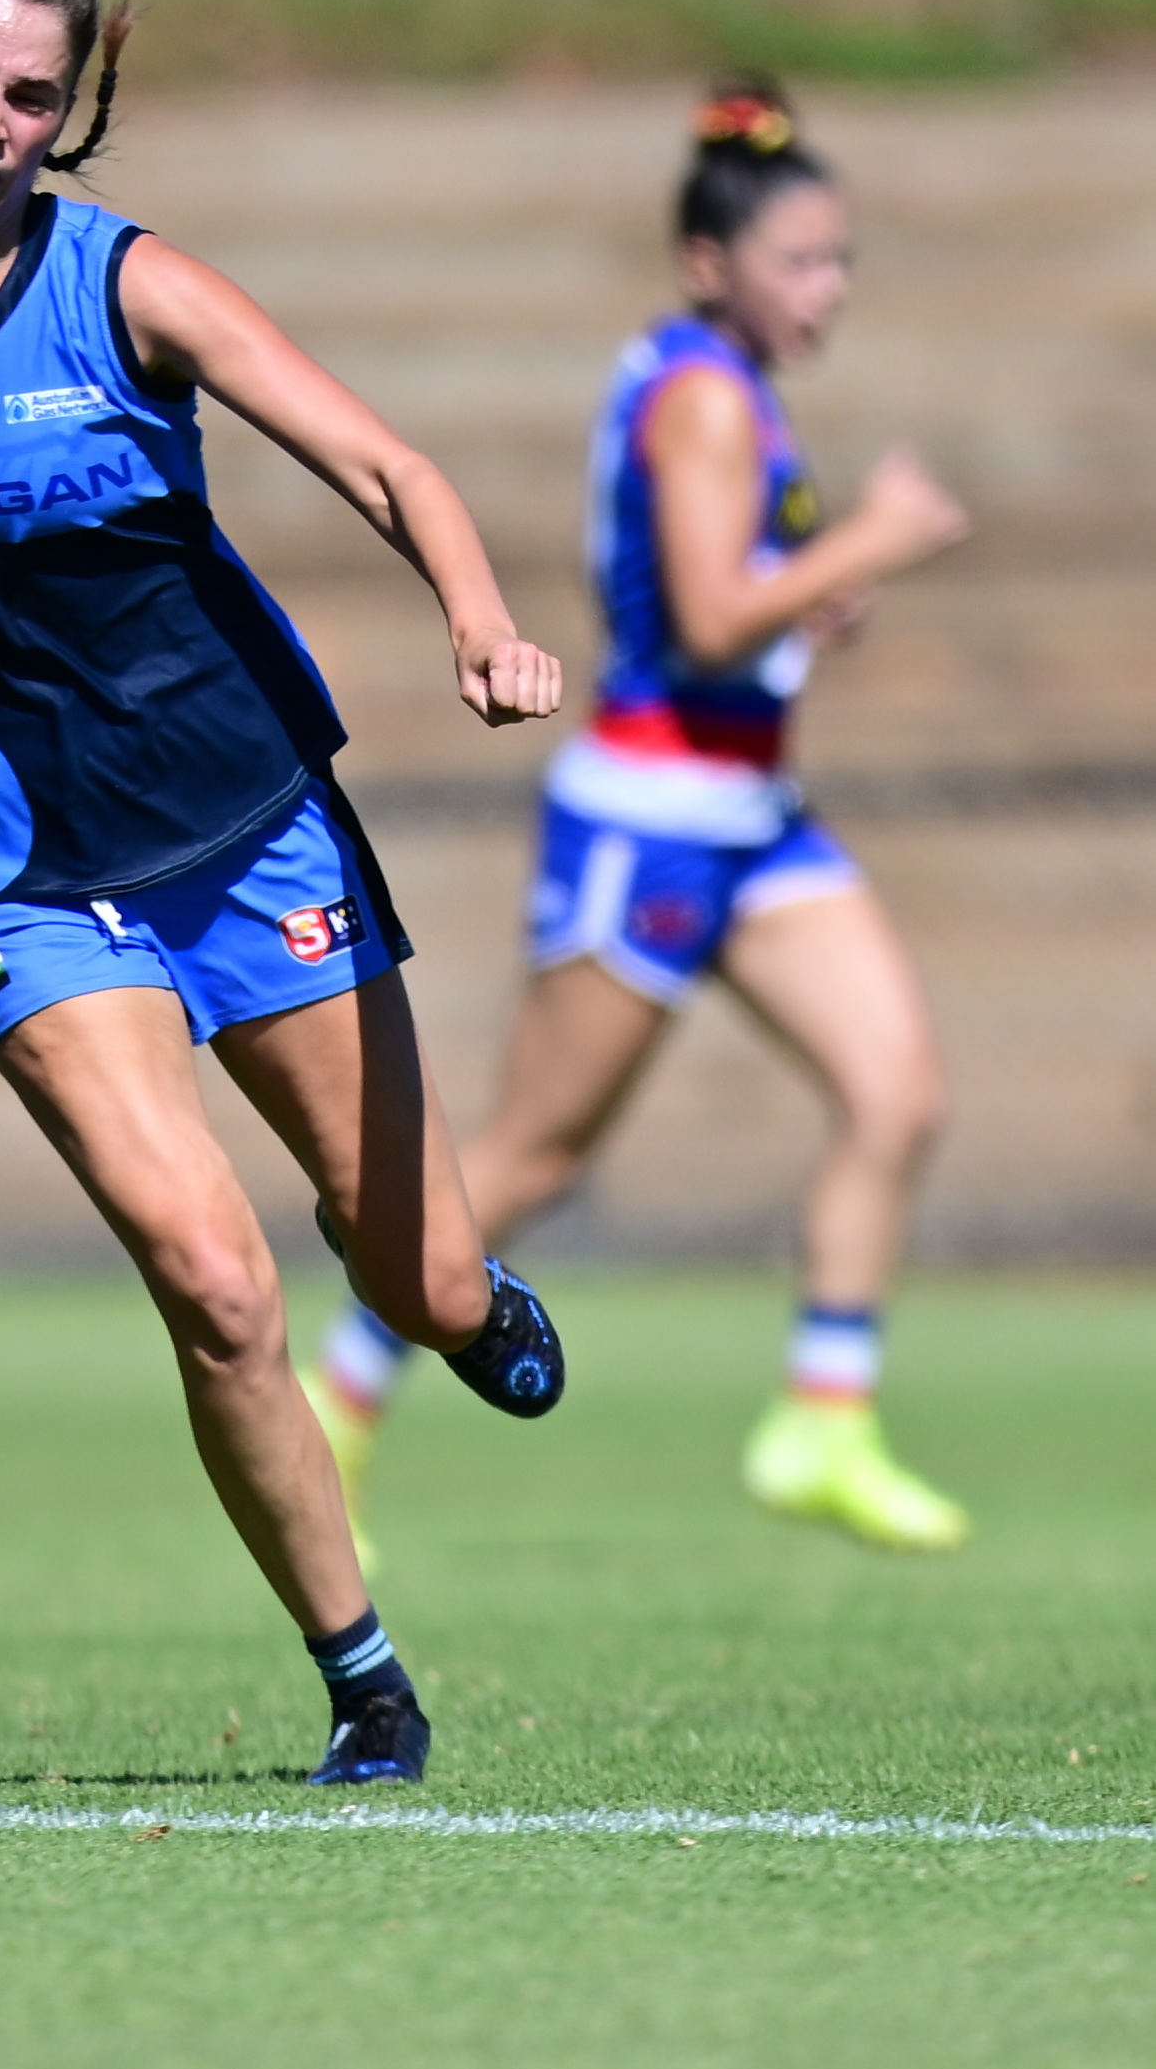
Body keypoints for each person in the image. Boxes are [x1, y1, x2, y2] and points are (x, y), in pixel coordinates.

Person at [0, 0, 569, 1786]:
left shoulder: (120, 284)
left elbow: (391, 468)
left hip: (240, 821)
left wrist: (475, 621)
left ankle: (455, 1294)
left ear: (67, 115)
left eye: (28, 95)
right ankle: (363, 1677)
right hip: (19, 873)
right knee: (211, 1278)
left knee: (423, 1287)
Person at [305, 78, 974, 1556]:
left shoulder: (726, 390)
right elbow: (712, 612)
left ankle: (822, 1417)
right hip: (653, 819)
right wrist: (867, 540)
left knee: (896, 1090)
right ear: (706, 262)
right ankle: (337, 1399)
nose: (828, 288)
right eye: (799, 260)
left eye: (838, 259)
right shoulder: (696, 398)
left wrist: (821, 606)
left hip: (754, 814)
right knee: (532, 1155)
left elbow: (740, 616)